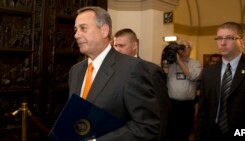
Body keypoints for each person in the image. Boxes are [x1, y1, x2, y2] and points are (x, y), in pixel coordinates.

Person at [68, 6, 160, 141]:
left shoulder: (132, 68)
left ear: (104, 30)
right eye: (76, 30)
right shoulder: (75, 71)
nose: (76, 35)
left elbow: (147, 126)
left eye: (83, 28)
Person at [113, 28, 173, 141]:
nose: (117, 50)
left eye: (121, 46)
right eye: (115, 46)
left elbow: (162, 112)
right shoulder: (112, 71)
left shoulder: (151, 71)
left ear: (135, 45)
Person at [196, 21, 245, 141]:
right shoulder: (208, 72)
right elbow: (203, 111)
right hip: (213, 132)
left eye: (229, 38)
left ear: (242, 42)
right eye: (219, 38)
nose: (223, 43)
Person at [162, 40, 202, 141]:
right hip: (171, 104)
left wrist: (179, 61)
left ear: (190, 50)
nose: (183, 49)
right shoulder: (170, 62)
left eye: (186, 47)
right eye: (181, 46)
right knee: (170, 132)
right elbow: (162, 79)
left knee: (184, 133)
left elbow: (193, 76)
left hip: (187, 106)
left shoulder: (195, 63)